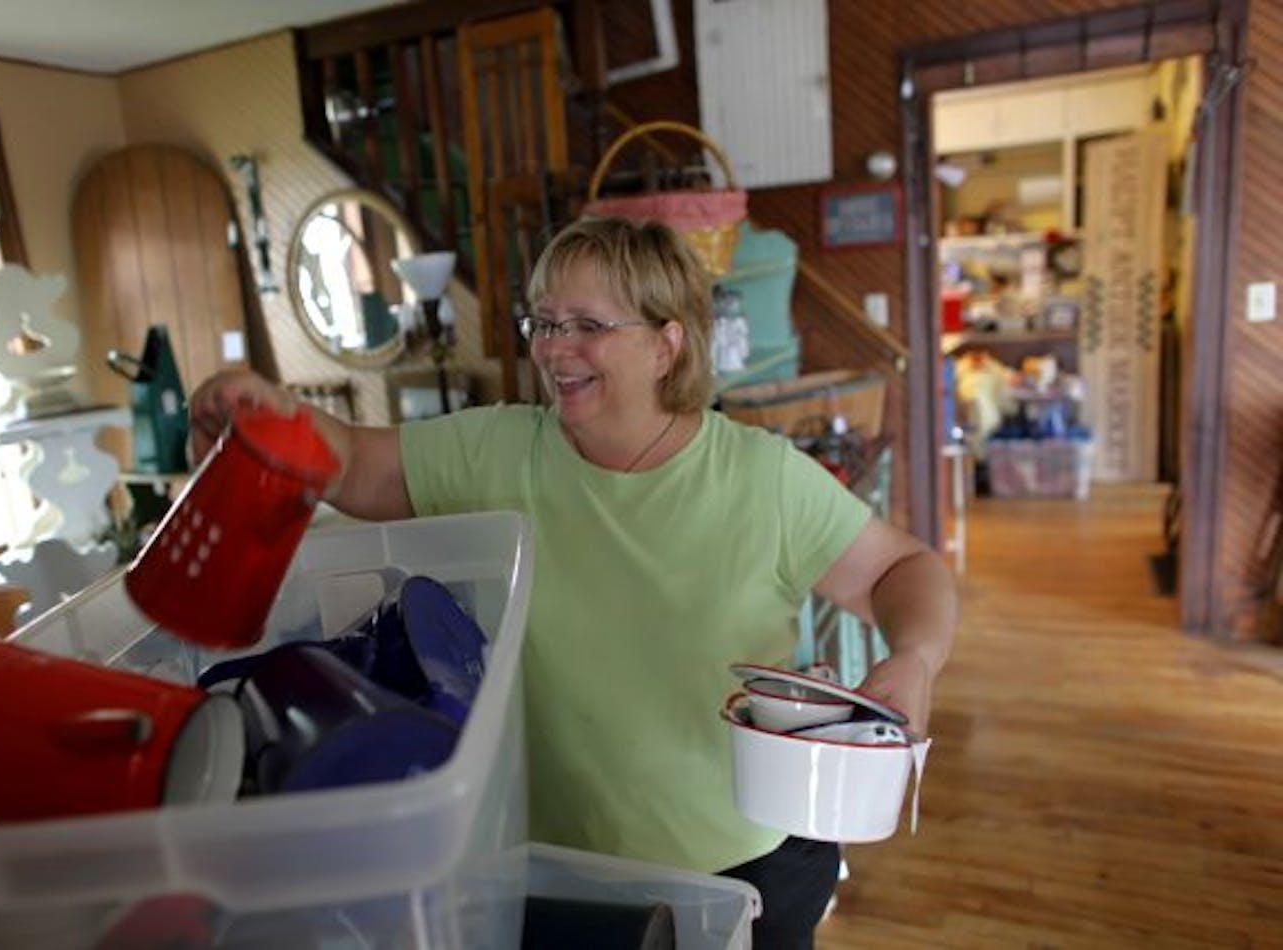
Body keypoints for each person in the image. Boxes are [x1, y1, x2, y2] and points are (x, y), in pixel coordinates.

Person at [189, 216, 957, 948]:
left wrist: (915, 655)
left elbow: (902, 567)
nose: (556, 348)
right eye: (545, 323)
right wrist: (270, 414)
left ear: (667, 344)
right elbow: (355, 463)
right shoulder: (497, 451)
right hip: (571, 866)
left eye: (588, 325)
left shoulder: (760, 480)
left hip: (749, 862)